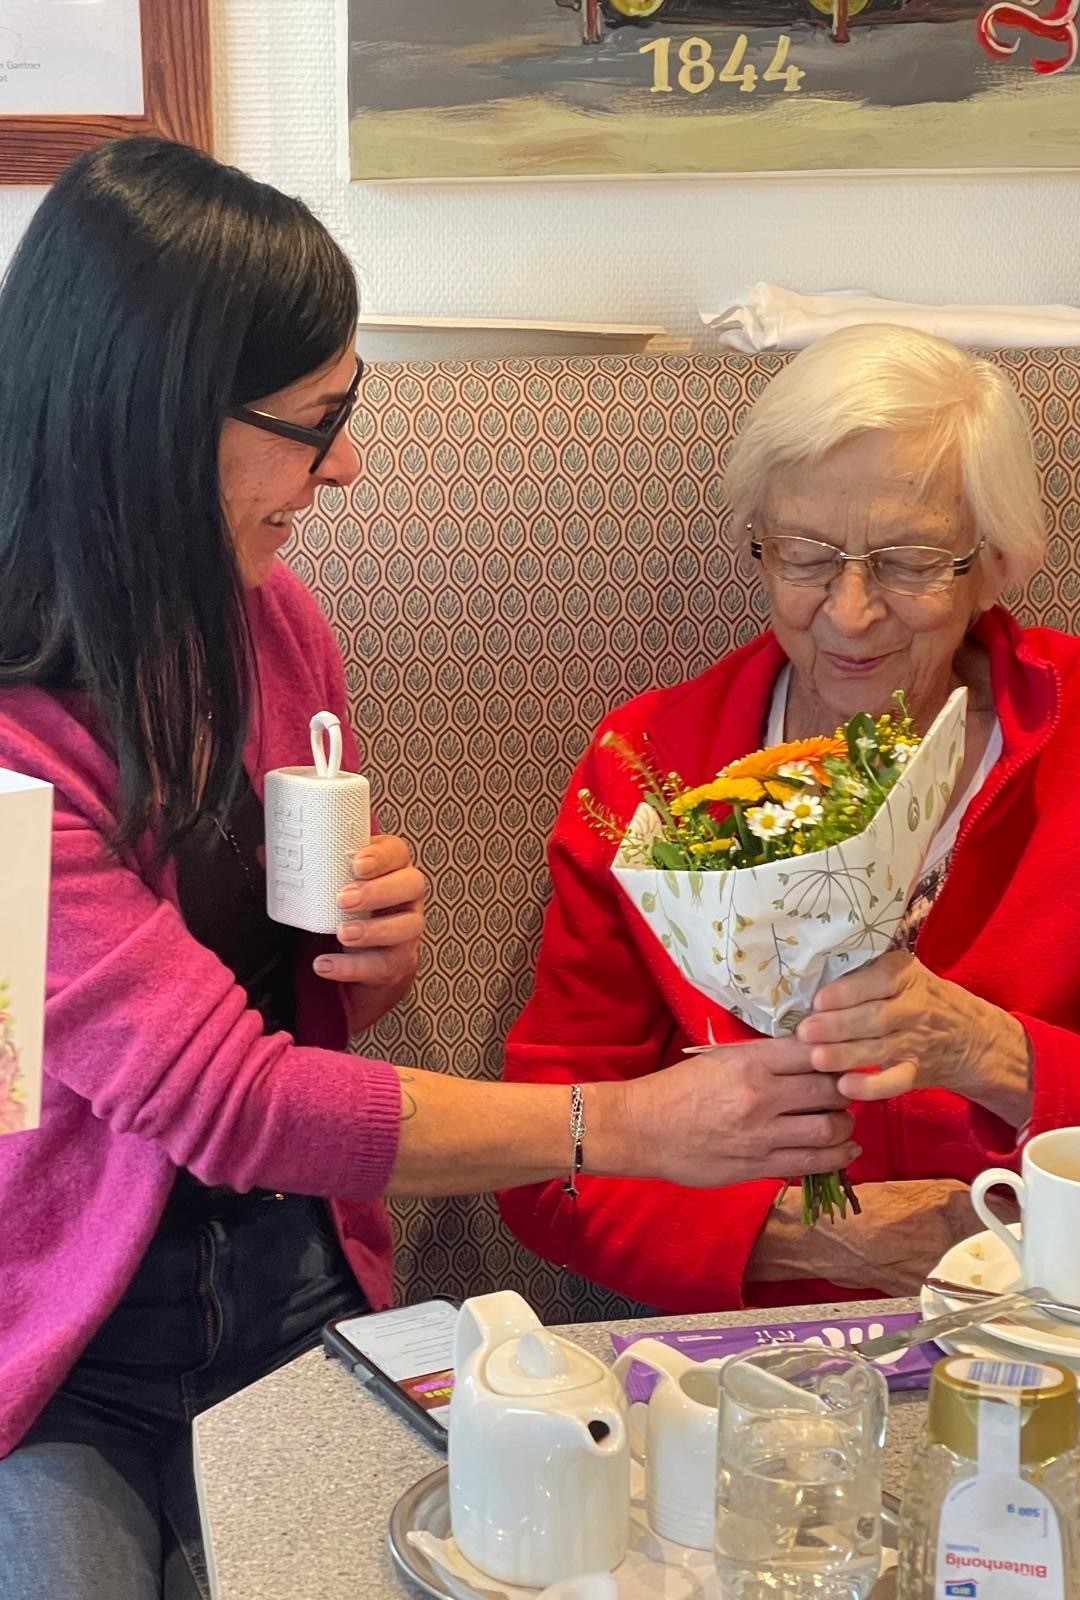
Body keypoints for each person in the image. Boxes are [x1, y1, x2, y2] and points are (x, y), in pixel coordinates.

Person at [0, 139, 853, 1600]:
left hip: (297, 1288)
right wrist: (625, 1126)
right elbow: (228, 1104)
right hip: (63, 1336)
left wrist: (363, 967)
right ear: (155, 420)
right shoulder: (18, 749)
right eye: (315, 423)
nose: (345, 465)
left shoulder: (273, 627)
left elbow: (289, 1033)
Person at [500, 321, 1080, 1315]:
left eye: (911, 562)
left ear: (996, 562)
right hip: (766, 1346)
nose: (851, 611)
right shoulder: (652, 767)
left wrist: (985, 1048)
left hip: (1054, 1316)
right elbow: (544, 1156)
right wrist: (817, 1236)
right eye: (806, 556)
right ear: (758, 545)